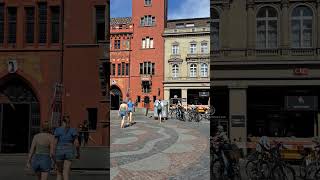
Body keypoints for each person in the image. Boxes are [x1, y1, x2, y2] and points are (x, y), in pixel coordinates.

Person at [54, 116, 80, 180]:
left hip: (59, 150)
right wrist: (78, 153)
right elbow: (77, 144)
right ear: (69, 122)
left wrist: (53, 153)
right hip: (69, 150)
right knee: (65, 172)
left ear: (62, 121)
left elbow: (54, 143)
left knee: (59, 172)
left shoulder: (58, 130)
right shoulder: (73, 130)